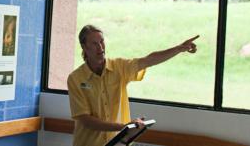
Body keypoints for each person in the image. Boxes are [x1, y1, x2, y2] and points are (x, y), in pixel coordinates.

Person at [65, 25, 199, 146]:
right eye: (94, 43)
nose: (100, 47)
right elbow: (86, 120)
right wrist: (123, 127)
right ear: (84, 47)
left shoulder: (119, 67)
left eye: (102, 41)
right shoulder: (75, 79)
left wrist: (179, 49)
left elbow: (148, 60)